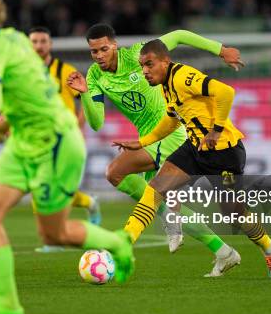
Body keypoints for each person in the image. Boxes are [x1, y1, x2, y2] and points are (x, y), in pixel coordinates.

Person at [0, 0, 134, 314]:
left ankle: (117, 244)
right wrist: (7, 123)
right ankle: (8, 304)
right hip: (25, 140)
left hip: (55, 141)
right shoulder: (12, 37)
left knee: (52, 233)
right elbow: (26, 89)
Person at [67, 23, 242, 276]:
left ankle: (138, 236)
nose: (99, 56)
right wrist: (84, 94)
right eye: (94, 52)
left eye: (104, 49)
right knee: (145, 192)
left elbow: (180, 35)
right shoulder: (95, 76)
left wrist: (221, 50)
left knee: (115, 172)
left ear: (114, 45)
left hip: (171, 131)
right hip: (149, 137)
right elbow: (96, 123)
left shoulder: (139, 55)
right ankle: (223, 251)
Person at [114, 39, 271, 278]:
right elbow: (172, 119)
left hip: (224, 153)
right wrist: (141, 142)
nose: (145, 71)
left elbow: (226, 92)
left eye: (149, 64)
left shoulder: (183, 77)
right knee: (155, 189)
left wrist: (215, 130)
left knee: (234, 214)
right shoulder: (165, 86)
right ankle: (125, 240)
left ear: (165, 61)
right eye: (142, 66)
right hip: (195, 149)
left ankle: (269, 247)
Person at [28, 26, 101, 231]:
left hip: (64, 139)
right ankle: (52, 232)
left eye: (43, 41)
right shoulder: (23, 73)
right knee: (38, 187)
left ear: (50, 44)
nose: (39, 46)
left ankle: (86, 205)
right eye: (34, 41)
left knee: (60, 190)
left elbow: (85, 103)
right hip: (36, 139)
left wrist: (78, 128)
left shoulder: (65, 71)